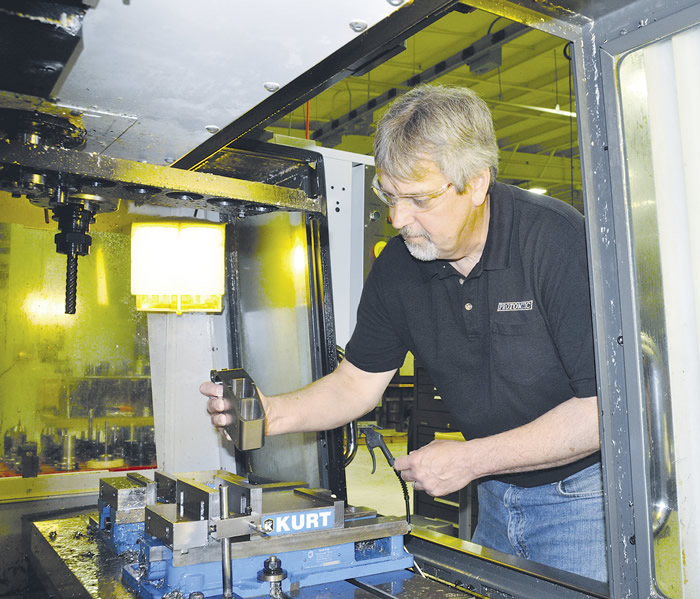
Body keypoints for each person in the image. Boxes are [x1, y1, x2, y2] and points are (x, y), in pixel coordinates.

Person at [201, 84, 607, 582]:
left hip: (584, 498)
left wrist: (470, 459)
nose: (398, 219)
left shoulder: (556, 241)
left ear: (476, 183)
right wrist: (270, 414)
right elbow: (356, 383)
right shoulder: (402, 264)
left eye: (418, 199)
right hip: (495, 494)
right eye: (389, 196)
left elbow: (602, 412)